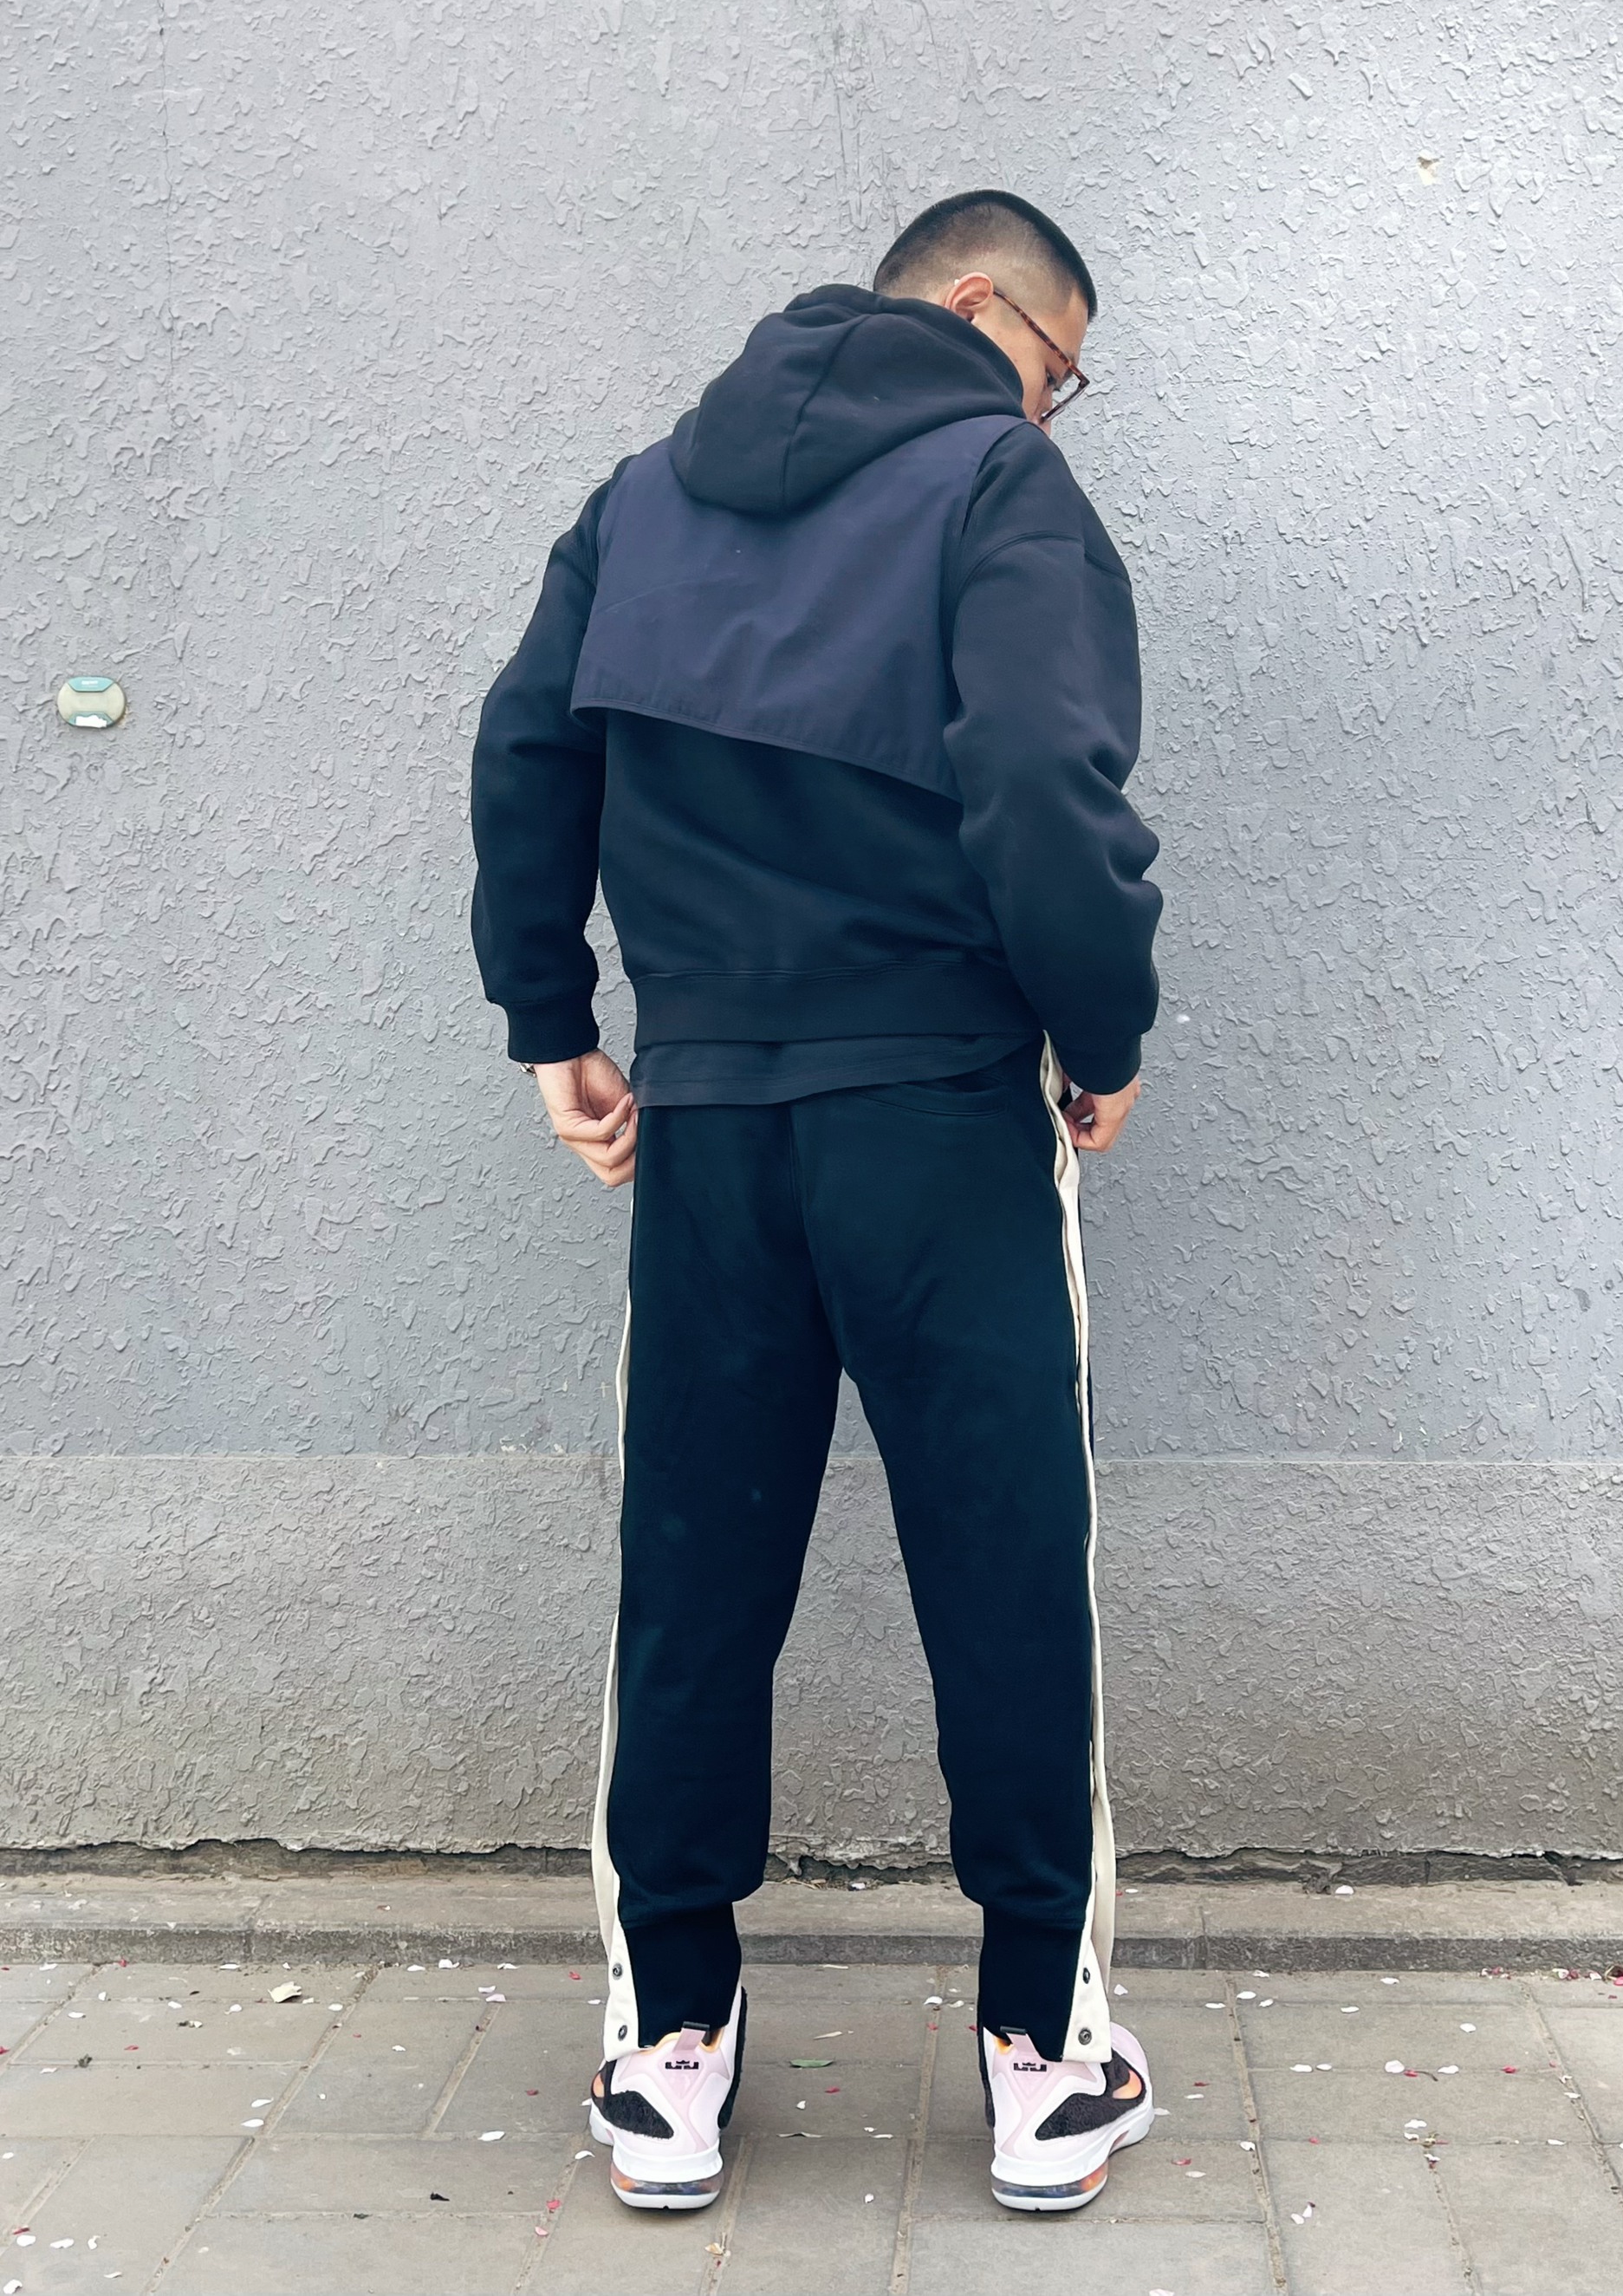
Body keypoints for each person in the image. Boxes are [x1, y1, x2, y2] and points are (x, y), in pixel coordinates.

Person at [470, 189, 1162, 2216]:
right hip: (938, 1119)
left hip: (708, 1123)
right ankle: (1041, 2061)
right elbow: (1040, 777)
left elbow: (527, 750)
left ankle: (667, 2056)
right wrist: (1099, 1030)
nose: (1052, 413)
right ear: (986, 310)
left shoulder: (643, 496)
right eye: (1060, 373)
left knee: (689, 1575)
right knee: (1011, 1571)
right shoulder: (996, 491)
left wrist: (553, 1024)